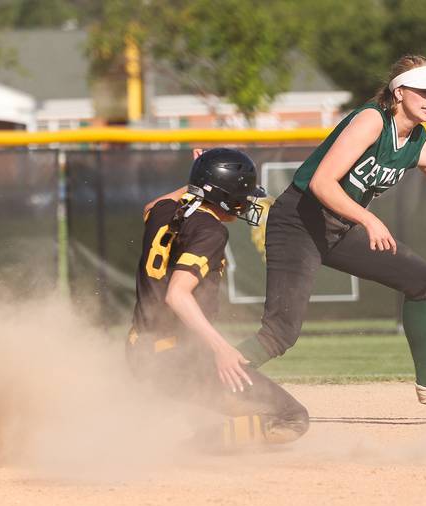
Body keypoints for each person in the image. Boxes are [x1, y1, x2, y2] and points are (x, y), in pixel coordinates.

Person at [232, 54, 426, 406]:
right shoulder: (372, 121)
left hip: (340, 225)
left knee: (420, 278)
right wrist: (368, 219)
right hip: (298, 222)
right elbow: (322, 183)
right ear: (398, 93)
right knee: (279, 334)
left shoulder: (421, 145)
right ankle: (199, 375)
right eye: (423, 90)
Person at [126, 148, 309, 449]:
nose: (246, 201)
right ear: (226, 197)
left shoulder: (165, 212)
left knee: (230, 408)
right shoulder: (210, 230)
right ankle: (193, 450)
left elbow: (152, 206)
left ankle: (196, 440)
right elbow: (177, 295)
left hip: (141, 351)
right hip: (175, 361)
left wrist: (200, 176)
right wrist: (222, 349)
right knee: (292, 417)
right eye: (243, 194)